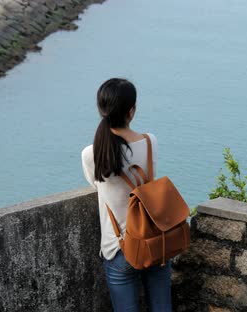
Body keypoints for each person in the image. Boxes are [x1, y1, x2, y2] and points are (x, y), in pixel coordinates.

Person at [80, 78, 172, 312]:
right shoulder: (151, 142)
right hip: (155, 240)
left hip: (119, 247)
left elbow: (95, 185)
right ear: (132, 110)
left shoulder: (92, 154)